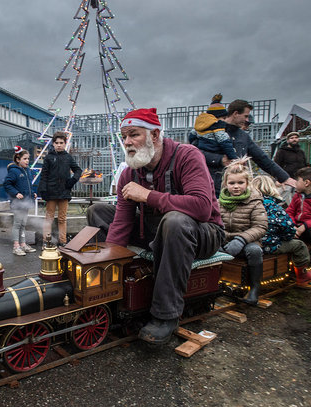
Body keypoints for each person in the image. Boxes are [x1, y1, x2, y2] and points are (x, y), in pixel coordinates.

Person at [87, 108, 225, 344]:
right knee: (97, 211)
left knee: (175, 221)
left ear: (154, 135)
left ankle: (165, 315)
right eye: (124, 137)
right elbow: (121, 221)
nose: (127, 142)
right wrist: (110, 267)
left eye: (134, 134)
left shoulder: (188, 156)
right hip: (155, 231)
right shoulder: (129, 173)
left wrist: (149, 196)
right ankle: (122, 280)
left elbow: (202, 207)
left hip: (202, 233)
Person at [198, 99, 294, 193]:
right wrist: (219, 159)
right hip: (212, 187)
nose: (247, 120)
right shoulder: (209, 131)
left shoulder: (243, 136)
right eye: (246, 116)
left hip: (238, 190)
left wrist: (285, 178)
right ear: (235, 114)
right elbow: (195, 153)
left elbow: (262, 158)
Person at [250, 175, 311, 288]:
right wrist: (290, 235)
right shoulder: (274, 206)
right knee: (299, 245)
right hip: (270, 245)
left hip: (251, 243)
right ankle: (302, 276)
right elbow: (287, 227)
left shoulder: (248, 204)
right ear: (271, 188)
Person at [218, 159, 268, 305]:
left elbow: (261, 226)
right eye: (232, 183)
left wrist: (241, 239)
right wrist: (219, 237)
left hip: (246, 241)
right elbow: (212, 222)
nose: (236, 187)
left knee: (255, 251)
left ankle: (254, 289)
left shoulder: (255, 202)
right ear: (226, 183)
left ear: (247, 183)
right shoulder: (218, 202)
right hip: (225, 240)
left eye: (240, 183)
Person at [37, 131, 82, 246]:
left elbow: (78, 170)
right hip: (51, 192)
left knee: (62, 218)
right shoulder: (48, 157)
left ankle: (63, 242)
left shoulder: (68, 157)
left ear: (65, 143)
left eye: (61, 142)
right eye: (56, 142)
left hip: (64, 192)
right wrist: (43, 190)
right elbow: (44, 175)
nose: (59, 145)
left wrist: (72, 181)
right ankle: (46, 241)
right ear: (53, 143)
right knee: (49, 218)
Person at [3, 146, 37, 256]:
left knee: (23, 224)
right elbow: (7, 184)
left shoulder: (27, 171)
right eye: (25, 159)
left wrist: (33, 193)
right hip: (18, 204)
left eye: (28, 159)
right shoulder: (14, 171)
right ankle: (16, 246)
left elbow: (29, 186)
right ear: (18, 159)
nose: (27, 161)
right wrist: (16, 193)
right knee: (17, 224)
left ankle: (23, 244)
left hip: (25, 203)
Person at [188, 94, 238, 162]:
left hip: (202, 153)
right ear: (217, 117)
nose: (224, 120)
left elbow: (191, 136)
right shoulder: (218, 125)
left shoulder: (201, 124)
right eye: (224, 118)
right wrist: (233, 158)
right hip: (214, 151)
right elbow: (225, 142)